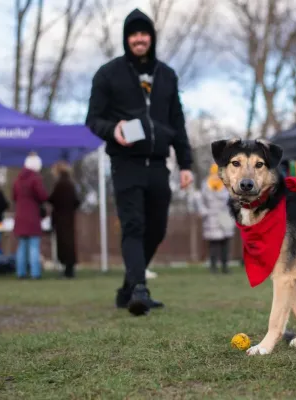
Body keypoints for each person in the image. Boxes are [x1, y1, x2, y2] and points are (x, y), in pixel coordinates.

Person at [85, 8, 194, 316]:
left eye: (143, 33)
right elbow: (93, 120)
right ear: (126, 39)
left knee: (156, 229)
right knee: (133, 225)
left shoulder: (167, 75)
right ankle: (139, 287)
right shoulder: (108, 74)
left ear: (152, 37)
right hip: (126, 164)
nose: (139, 38)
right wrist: (113, 129)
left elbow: (178, 121)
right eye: (133, 34)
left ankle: (127, 289)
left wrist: (186, 164)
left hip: (159, 165)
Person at [13, 153, 48, 279]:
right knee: (34, 246)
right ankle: (35, 273)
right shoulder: (35, 179)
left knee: (21, 246)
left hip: (20, 216)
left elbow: (14, 197)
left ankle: (20, 273)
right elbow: (43, 196)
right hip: (32, 216)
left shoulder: (17, 179)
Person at [195, 164, 235, 274]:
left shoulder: (227, 184)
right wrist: (204, 212)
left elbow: (233, 199)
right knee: (214, 243)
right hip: (211, 216)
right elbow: (200, 201)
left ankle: (225, 266)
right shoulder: (205, 185)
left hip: (225, 215)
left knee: (226, 242)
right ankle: (213, 267)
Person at [48, 161, 81, 279]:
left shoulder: (59, 184)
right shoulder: (71, 184)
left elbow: (52, 199)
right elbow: (77, 201)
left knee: (63, 244)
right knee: (70, 243)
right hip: (69, 218)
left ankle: (67, 270)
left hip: (60, 218)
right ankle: (69, 269)